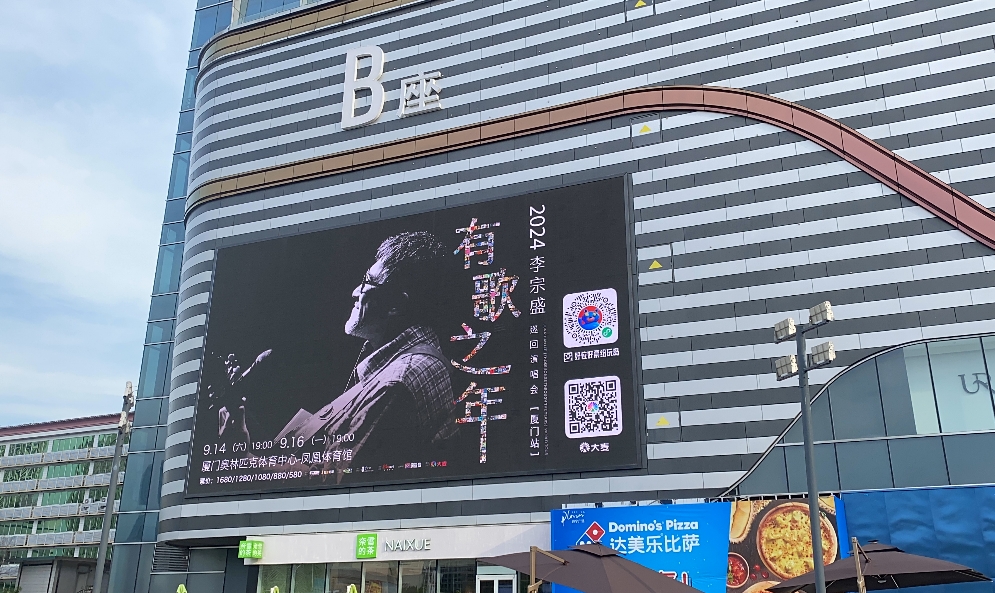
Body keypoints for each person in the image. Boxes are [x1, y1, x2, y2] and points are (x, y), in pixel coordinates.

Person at [274, 231, 458, 478]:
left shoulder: (395, 383)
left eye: (367, 282)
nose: (354, 292)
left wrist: (247, 462)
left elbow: (332, 485)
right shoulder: (421, 355)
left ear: (396, 305)